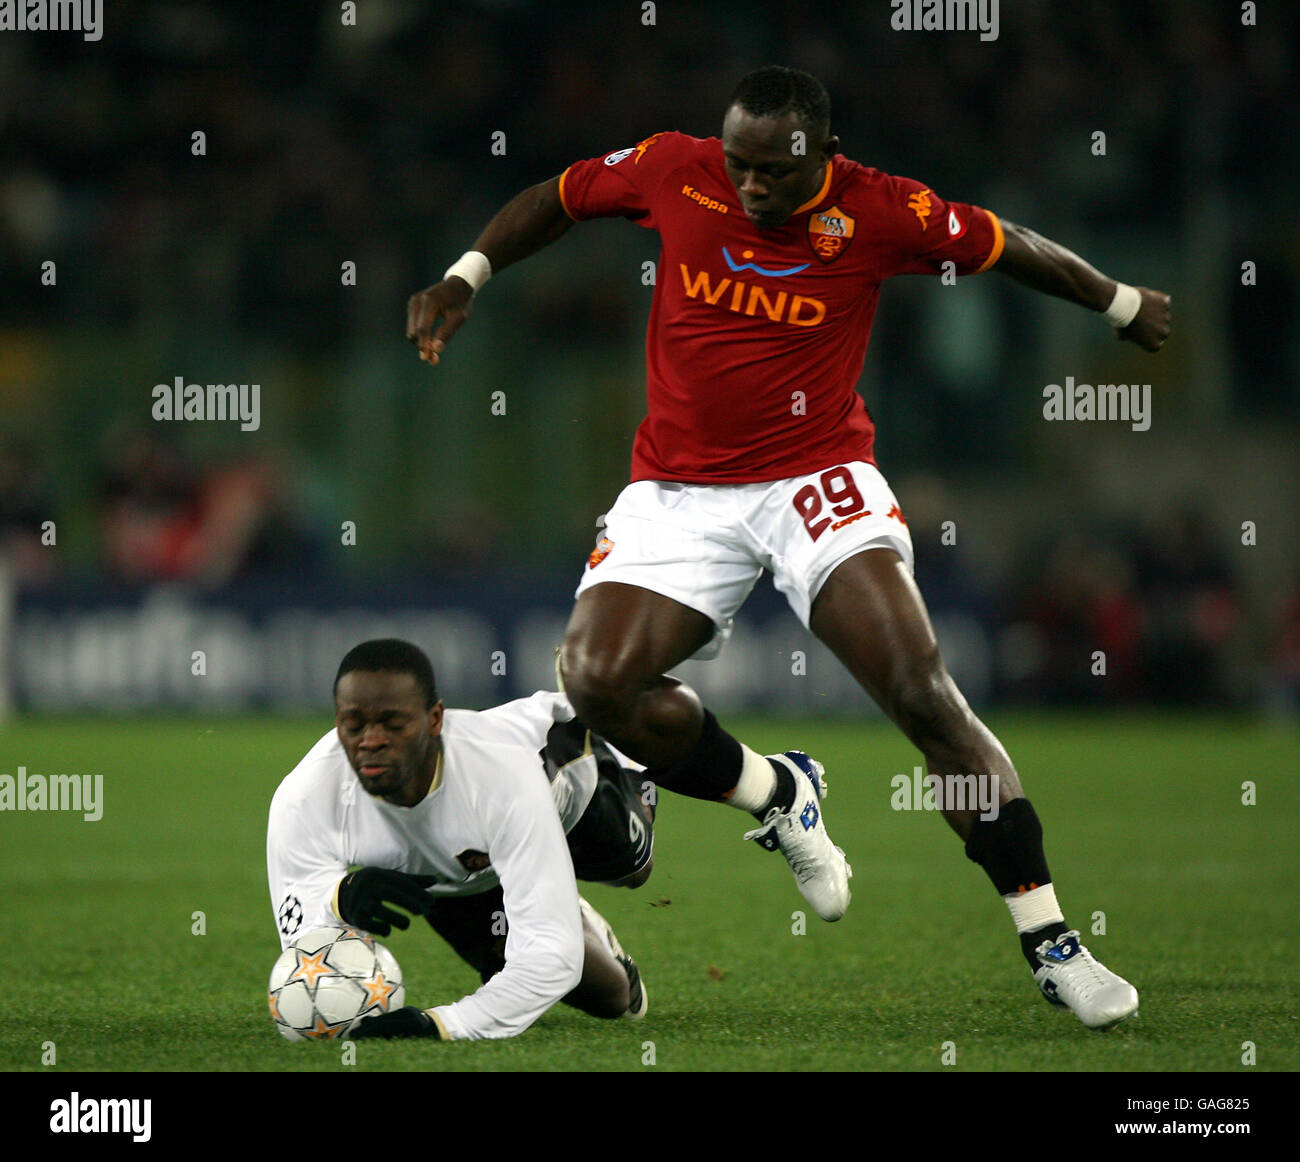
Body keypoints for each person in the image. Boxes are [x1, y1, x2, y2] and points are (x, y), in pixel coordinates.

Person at [406, 66, 1171, 1029]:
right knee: (597, 681)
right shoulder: (672, 170)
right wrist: (465, 274)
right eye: (740, 166)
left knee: (923, 694)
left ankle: (1052, 938)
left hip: (816, 483)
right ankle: (777, 792)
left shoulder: (884, 210)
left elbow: (1005, 244)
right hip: (678, 492)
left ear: (821, 155)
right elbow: (557, 197)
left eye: (773, 171)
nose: (751, 187)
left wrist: (1119, 304)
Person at [266, 638, 652, 1041]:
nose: (371, 740)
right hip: (455, 875)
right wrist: (338, 899)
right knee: (613, 999)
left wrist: (443, 1024)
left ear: (435, 719)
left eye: (392, 723)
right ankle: (556, 900)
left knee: (634, 867)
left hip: (569, 778)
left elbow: (551, 957)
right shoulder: (304, 798)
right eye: (354, 724)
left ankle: (604, 707)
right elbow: (300, 942)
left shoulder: (501, 776)